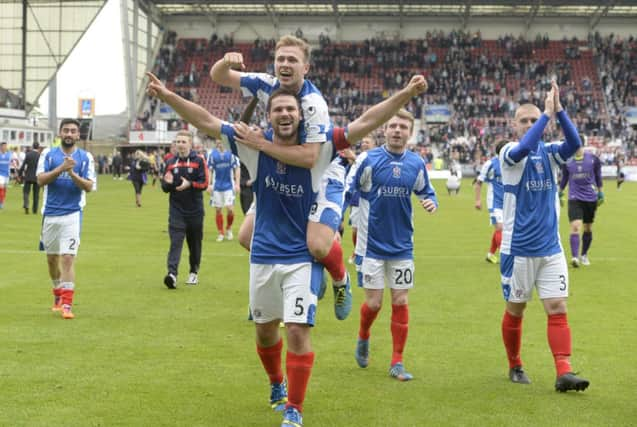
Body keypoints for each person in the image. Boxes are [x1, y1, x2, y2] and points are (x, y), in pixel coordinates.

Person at [148, 68, 426, 427]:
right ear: (269, 115)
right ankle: (277, 384)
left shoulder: (321, 148)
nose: (284, 114)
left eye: (290, 110)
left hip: (299, 258)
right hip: (264, 254)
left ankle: (295, 408)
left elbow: (367, 120)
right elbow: (206, 119)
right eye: (277, 109)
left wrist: (405, 93)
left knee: (297, 329)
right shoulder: (251, 145)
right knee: (265, 331)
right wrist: (168, 96)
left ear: (301, 115)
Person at [210, 35, 354, 319]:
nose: (285, 64)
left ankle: (340, 279)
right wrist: (226, 61)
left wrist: (261, 144)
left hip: (320, 172)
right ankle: (297, 279)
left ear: (305, 68)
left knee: (317, 244)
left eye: (292, 60)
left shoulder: (314, 104)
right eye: (281, 59)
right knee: (245, 236)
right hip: (281, 168)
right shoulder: (266, 83)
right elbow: (219, 76)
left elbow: (310, 157)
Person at [499, 82, 589, 392]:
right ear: (515, 125)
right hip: (518, 249)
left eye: (532, 119)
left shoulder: (551, 153)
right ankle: (514, 364)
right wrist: (545, 116)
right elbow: (524, 147)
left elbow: (575, 142)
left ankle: (564, 371)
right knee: (516, 309)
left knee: (557, 307)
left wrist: (559, 111)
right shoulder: (508, 152)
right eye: (523, 120)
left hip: (551, 248)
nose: (528, 124)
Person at [348, 109, 438, 382]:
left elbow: (426, 191)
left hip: (402, 246)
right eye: (393, 126)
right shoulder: (368, 159)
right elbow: (348, 190)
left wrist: (430, 201)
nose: (397, 130)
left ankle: (397, 361)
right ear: (384, 130)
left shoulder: (416, 163)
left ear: (410, 133)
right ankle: (363, 336)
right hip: (370, 246)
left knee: (400, 300)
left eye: (403, 127)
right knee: (374, 304)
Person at [36, 118, 96, 319]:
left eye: (73, 131)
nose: (69, 134)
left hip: (72, 214)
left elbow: (89, 186)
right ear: (60, 133)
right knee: (51, 260)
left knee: (68, 258)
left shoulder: (85, 157)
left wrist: (71, 173)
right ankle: (57, 293)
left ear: (78, 135)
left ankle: (67, 305)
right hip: (50, 214)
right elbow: (40, 180)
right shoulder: (48, 154)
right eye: (66, 130)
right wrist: (61, 168)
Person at [161, 130, 210, 288]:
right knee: (175, 242)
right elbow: (165, 188)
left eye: (183, 142)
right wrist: (167, 183)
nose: (180, 145)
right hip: (176, 210)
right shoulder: (169, 162)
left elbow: (204, 184)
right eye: (178, 142)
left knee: (194, 244)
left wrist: (190, 184)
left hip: (195, 210)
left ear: (190, 144)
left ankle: (193, 272)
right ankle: (172, 274)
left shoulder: (199, 161)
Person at [559, 139, 603, 267]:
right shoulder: (567, 160)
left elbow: (598, 176)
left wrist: (601, 192)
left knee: (587, 227)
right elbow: (565, 178)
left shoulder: (593, 159)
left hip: (590, 198)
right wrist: (560, 191)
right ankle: (574, 257)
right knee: (575, 226)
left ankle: (583, 254)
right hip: (574, 198)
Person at [474, 140, 507, 264]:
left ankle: (490, 254)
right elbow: (479, 182)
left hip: (509, 202)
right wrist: (478, 200)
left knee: (503, 229)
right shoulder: (491, 164)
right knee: (500, 227)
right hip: (494, 201)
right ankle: (506, 257)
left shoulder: (512, 163)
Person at [346, 137, 377, 264]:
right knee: (355, 228)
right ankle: (357, 251)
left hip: (372, 198)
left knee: (371, 228)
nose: (364, 144)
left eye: (367, 142)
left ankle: (370, 252)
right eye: (363, 142)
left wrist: (353, 158)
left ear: (374, 145)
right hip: (356, 198)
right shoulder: (358, 159)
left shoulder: (376, 158)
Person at [208, 139, 240, 241]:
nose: (219, 143)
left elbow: (237, 168)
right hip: (217, 187)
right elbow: (210, 170)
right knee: (218, 210)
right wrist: (209, 184)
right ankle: (221, 232)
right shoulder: (212, 155)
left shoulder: (231, 154)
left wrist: (237, 184)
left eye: (221, 141)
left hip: (228, 186)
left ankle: (229, 228)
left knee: (230, 209)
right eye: (217, 141)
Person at [19, 142, 42, 214]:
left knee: (26, 192)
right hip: (36, 176)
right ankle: (34, 210)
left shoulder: (28, 154)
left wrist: (20, 174)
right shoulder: (40, 156)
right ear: (38, 147)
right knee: (36, 194)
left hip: (28, 176)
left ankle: (26, 205)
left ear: (32, 146)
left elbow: (23, 165)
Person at [0, 142, 10, 209]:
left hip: (7, 174)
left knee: (5, 189)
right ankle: (1, 203)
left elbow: (11, 163)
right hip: (0, 174)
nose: (4, 147)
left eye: (5, 146)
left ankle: (2, 201)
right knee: (1, 188)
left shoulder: (9, 154)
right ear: (1, 147)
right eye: (3, 146)